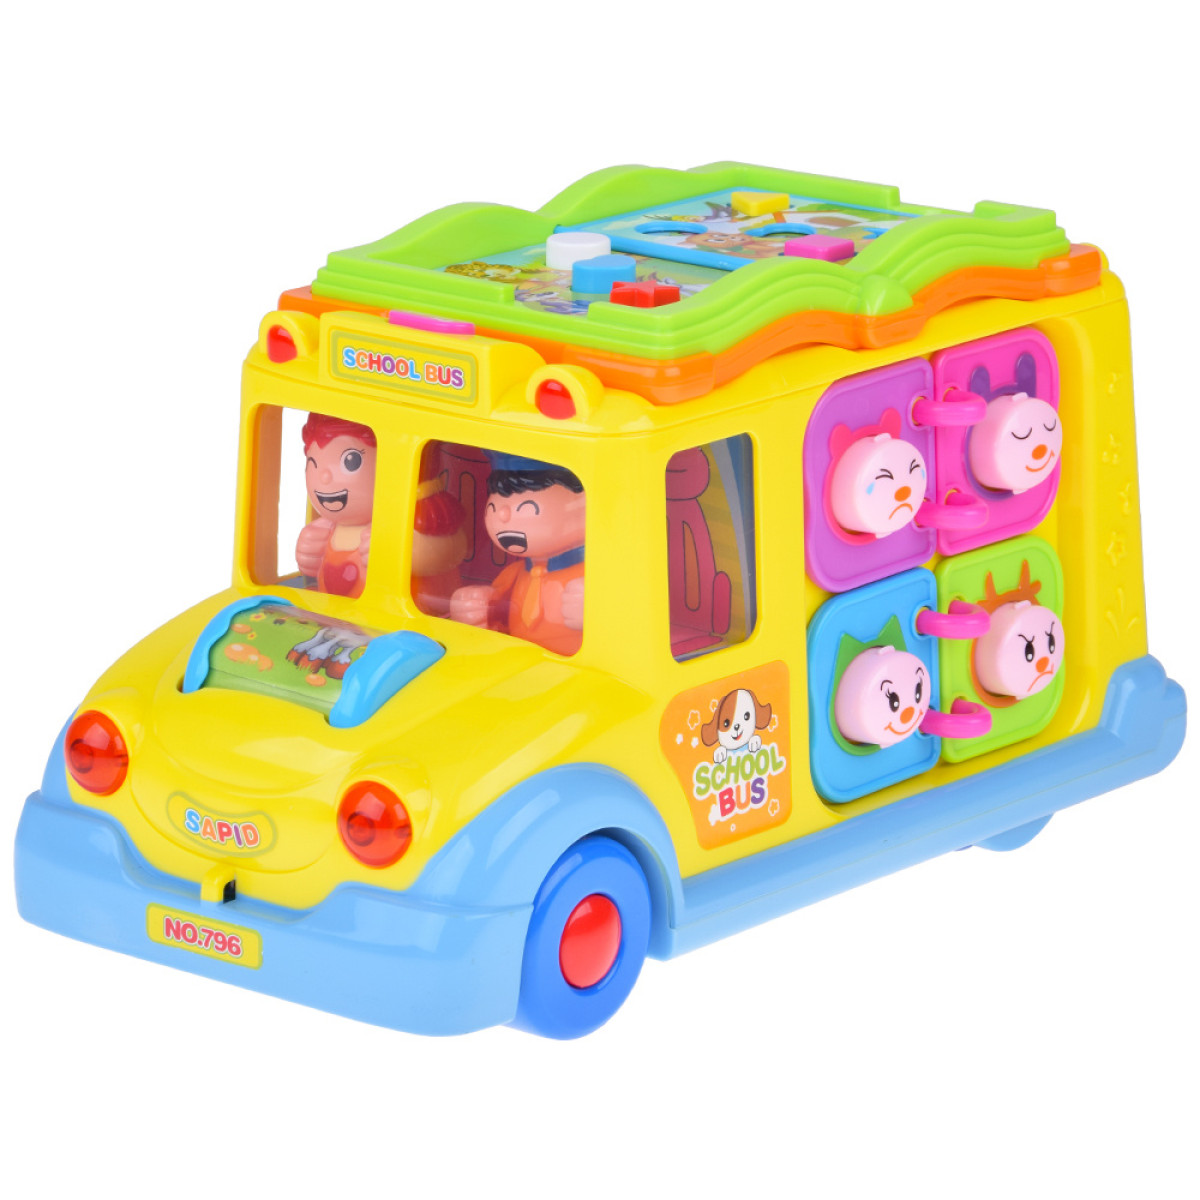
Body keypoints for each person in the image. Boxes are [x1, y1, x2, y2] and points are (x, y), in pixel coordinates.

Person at [450, 452, 585, 655]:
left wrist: (600, 614)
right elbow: (496, 614)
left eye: (527, 507)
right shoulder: (513, 575)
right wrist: (473, 609)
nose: (504, 516)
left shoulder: (595, 577)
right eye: (494, 507)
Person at [295, 412, 376, 598]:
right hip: (329, 607)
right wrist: (309, 554)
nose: (325, 477)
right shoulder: (326, 528)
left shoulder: (386, 530)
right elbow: (309, 569)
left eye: (351, 461)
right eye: (313, 463)